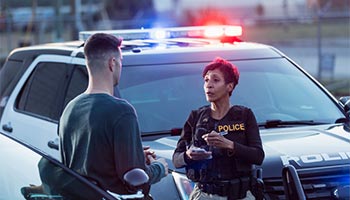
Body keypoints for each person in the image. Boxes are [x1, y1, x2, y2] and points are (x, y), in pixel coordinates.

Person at [59, 33, 168, 198]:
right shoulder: (122, 111)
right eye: (121, 61)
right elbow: (133, 181)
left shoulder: (70, 109)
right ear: (113, 63)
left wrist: (136, 154)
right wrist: (159, 168)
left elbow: (86, 162)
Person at [172, 57, 264, 200]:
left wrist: (229, 145)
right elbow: (176, 160)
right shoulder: (196, 117)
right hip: (204, 194)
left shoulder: (244, 115)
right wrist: (188, 155)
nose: (209, 85)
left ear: (230, 86)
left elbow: (258, 156)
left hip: (239, 195)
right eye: (206, 80)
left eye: (215, 80)